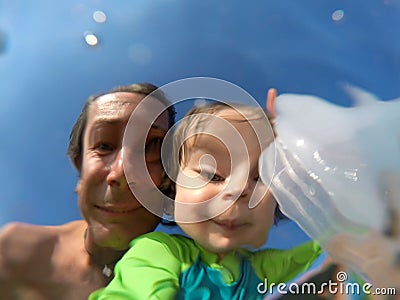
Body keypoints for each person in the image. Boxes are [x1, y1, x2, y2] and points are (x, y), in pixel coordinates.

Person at [90, 101, 323, 300]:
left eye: (261, 179)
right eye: (212, 175)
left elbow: (336, 243)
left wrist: (300, 140)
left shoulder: (259, 268)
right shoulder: (160, 252)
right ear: (172, 192)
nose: (239, 190)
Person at [0, 83, 176, 300]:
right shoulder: (15, 252)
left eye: (153, 146)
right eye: (104, 146)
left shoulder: (200, 276)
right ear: (79, 168)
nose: (121, 173)